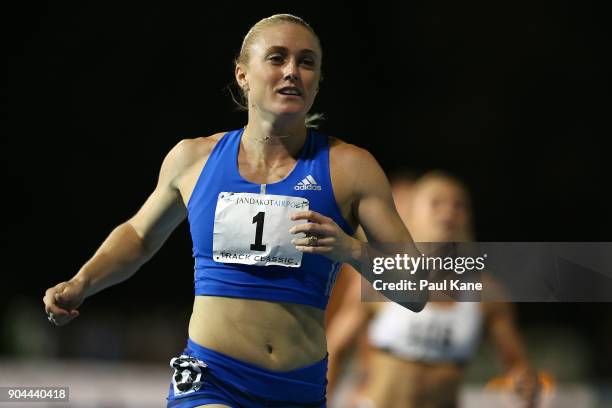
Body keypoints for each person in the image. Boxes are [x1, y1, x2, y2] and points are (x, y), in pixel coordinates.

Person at [42, 14, 426, 408]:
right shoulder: (192, 159)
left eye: (307, 62)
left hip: (299, 390)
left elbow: (417, 290)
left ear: (318, 81)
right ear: (242, 75)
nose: (292, 71)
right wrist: (82, 282)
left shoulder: (351, 168)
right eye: (277, 58)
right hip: (211, 378)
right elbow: (139, 237)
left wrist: (350, 251)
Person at [327, 171, 540, 408]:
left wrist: (523, 380)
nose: (448, 213)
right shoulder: (378, 278)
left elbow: (515, 364)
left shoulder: (487, 293)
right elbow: (335, 349)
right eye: (436, 203)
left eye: (459, 206)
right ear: (411, 213)